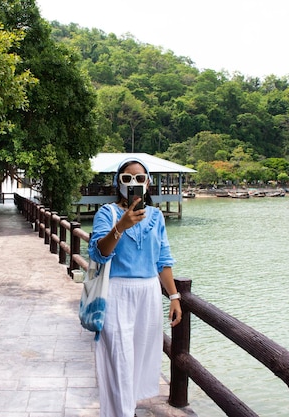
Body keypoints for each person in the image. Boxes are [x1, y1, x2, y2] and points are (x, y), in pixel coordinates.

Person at [88, 157, 182, 417]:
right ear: (118, 183)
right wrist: (122, 225)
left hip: (149, 293)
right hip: (116, 293)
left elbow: (162, 259)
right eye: (127, 178)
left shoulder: (156, 216)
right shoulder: (107, 213)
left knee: (139, 359)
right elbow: (99, 253)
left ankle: (125, 410)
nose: (133, 183)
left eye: (140, 179)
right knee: (120, 359)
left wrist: (173, 296)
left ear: (148, 184)